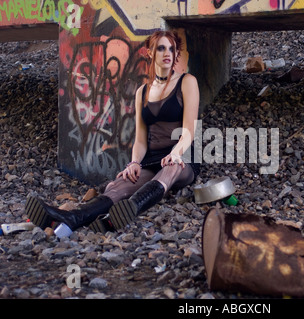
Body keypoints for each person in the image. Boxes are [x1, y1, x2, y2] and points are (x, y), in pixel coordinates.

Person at [25, 30, 200, 237]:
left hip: (182, 158)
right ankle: (73, 218)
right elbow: (141, 139)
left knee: (171, 168)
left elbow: (189, 130)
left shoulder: (187, 82)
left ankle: (130, 208)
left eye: (171, 48)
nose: (167, 53)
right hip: (152, 159)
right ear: (150, 52)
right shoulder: (142, 92)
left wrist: (177, 152)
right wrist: (134, 162)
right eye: (161, 48)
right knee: (120, 185)